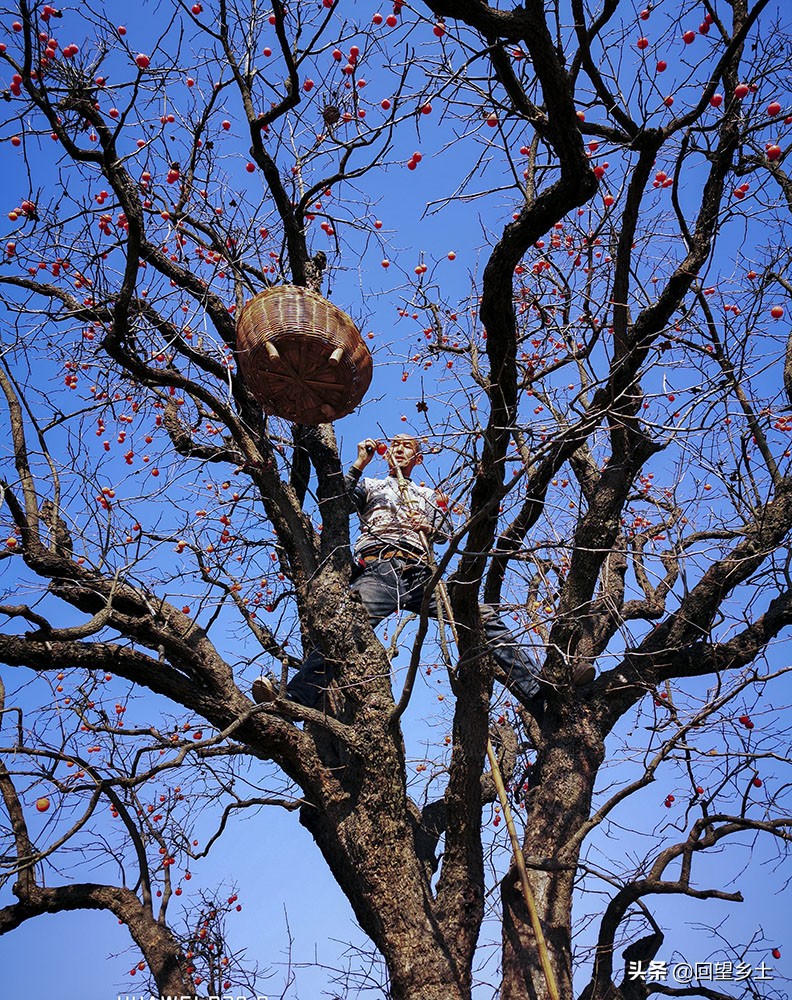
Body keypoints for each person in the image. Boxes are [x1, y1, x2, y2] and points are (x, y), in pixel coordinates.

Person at [252, 434, 587, 710]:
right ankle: (294, 698)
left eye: (407, 446)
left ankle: (539, 690)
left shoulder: (427, 495)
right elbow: (336, 500)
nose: (398, 449)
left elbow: (447, 532)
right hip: (379, 569)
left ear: (418, 458)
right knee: (345, 627)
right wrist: (359, 463)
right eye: (394, 445)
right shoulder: (371, 485)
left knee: (483, 615)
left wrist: (430, 525)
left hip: (421, 572)